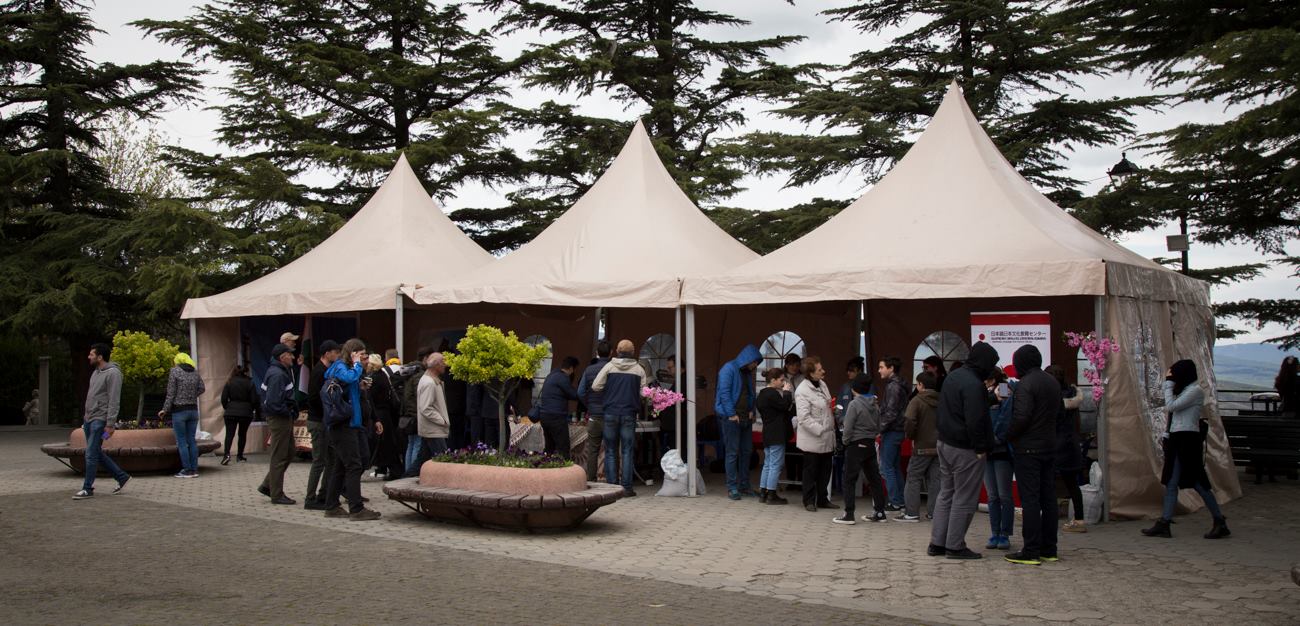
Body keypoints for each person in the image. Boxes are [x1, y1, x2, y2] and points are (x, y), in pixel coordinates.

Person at [1142, 359, 1229, 540]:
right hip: (1177, 438)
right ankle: (1165, 523)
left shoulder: (1195, 391)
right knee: (1171, 481)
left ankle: (1219, 520)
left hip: (1188, 440)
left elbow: (1171, 406)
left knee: (1197, 481)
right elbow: (1173, 415)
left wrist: (1168, 385)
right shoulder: (1184, 391)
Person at [928, 341, 999, 560]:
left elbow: (958, 405)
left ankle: (937, 543)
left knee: (946, 493)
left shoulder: (954, 376)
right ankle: (955, 546)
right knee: (964, 497)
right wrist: (980, 447)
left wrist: (989, 398)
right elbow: (975, 419)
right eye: (991, 364)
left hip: (944, 443)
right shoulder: (974, 384)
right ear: (984, 363)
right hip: (965, 448)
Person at [1004, 345, 1063, 566]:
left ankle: (1030, 550)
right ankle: (1049, 548)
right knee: (1048, 498)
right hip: (1049, 446)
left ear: (1020, 363)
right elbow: (1060, 414)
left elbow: (1021, 417)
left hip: (1028, 449)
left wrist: (1009, 436)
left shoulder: (1025, 384)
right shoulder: (1052, 382)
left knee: (1030, 500)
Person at [322, 339, 381, 521]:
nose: (363, 358)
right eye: (361, 354)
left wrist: (360, 386)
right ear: (352, 353)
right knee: (354, 465)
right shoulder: (340, 366)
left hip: (350, 424)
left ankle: (331, 506)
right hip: (343, 424)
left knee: (341, 466)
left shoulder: (348, 368)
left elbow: (348, 385)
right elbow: (348, 378)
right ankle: (356, 509)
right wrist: (356, 365)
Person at [592, 339, 650, 496]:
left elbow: (595, 386)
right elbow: (644, 393)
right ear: (633, 352)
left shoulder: (609, 367)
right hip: (629, 413)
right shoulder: (639, 370)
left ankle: (612, 488)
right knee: (627, 451)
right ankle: (627, 488)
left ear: (617, 351)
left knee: (611, 450)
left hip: (610, 412)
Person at [73, 343, 131, 500]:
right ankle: (122, 477)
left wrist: (110, 424)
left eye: (91, 354)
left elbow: (114, 400)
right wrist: (86, 418)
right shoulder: (96, 372)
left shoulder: (113, 374)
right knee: (95, 452)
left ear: (100, 357)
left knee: (91, 453)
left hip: (100, 420)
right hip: (89, 420)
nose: (89, 357)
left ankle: (87, 488)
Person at [835, 372, 888, 525]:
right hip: (870, 444)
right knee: (874, 478)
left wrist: (845, 441)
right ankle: (880, 512)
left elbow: (848, 426)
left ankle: (849, 514)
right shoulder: (875, 404)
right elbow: (878, 426)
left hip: (855, 444)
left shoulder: (854, 404)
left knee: (849, 479)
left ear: (854, 388)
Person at [714, 344, 763, 500]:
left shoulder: (747, 372)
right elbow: (724, 394)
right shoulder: (728, 369)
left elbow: (750, 393)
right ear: (747, 359)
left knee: (746, 452)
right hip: (732, 418)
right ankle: (732, 487)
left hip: (745, 418)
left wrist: (751, 410)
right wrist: (731, 414)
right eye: (754, 362)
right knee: (732, 453)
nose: (755, 365)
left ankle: (744, 486)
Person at [1046, 365, 1087, 533]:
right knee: (1072, 484)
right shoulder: (1073, 394)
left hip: (1055, 444)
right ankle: (1079, 520)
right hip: (1071, 444)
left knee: (1048, 483)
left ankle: (1048, 517)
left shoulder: (1051, 398)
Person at [258, 343, 298, 504]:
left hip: (281, 417)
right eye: (290, 354)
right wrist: (288, 412)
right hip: (279, 419)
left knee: (289, 452)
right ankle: (276, 494)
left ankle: (268, 485)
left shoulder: (279, 371)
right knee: (279, 456)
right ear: (282, 357)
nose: (293, 357)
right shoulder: (277, 375)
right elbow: (273, 402)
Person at [899, 370, 941, 522]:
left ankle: (911, 513)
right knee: (936, 480)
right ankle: (934, 513)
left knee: (913, 478)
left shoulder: (916, 400)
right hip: (939, 446)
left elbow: (910, 420)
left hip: (921, 446)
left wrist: (910, 436)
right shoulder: (942, 400)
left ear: (921, 385)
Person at [303, 339, 341, 510]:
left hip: (325, 421)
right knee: (319, 460)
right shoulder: (319, 372)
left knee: (332, 459)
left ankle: (324, 494)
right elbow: (313, 398)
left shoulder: (326, 370)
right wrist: (329, 409)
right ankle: (310, 498)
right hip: (318, 421)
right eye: (335, 352)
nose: (337, 355)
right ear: (327, 354)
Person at [796, 356, 836, 512]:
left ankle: (823, 499)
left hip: (827, 437)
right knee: (811, 471)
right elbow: (803, 418)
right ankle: (809, 501)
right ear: (811, 373)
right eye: (820, 370)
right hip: (813, 438)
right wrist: (820, 429)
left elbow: (825, 405)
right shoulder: (802, 391)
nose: (823, 371)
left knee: (825, 470)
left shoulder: (822, 384)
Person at [159, 352, 206, 478]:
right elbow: (202, 388)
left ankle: (187, 470)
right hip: (193, 411)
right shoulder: (195, 373)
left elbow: (171, 393)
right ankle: (195, 469)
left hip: (179, 411)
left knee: (181, 441)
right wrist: (192, 395)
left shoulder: (175, 371)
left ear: (177, 361)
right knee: (192, 440)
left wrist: (165, 409)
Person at [984, 368, 1015, 551]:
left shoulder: (1003, 389)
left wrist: (996, 437)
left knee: (1004, 495)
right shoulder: (983, 391)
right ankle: (994, 531)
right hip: (987, 450)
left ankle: (1005, 533)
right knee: (992, 496)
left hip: (1001, 449)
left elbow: (1006, 416)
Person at [407, 352, 451, 474]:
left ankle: (405, 479)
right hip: (434, 430)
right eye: (442, 362)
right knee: (443, 460)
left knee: (421, 460)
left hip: (431, 429)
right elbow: (425, 408)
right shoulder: (429, 383)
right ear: (436, 365)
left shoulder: (430, 380)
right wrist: (442, 420)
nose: (445, 364)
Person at [756, 367, 794, 505]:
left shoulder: (761, 394)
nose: (783, 383)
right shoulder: (772, 394)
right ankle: (771, 494)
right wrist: (787, 393)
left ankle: (763, 492)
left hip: (767, 432)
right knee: (775, 465)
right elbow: (784, 406)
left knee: (768, 464)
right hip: (777, 433)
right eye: (781, 380)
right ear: (773, 380)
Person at [877, 356, 909, 511]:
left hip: (892, 430)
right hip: (897, 429)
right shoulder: (899, 384)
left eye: (881, 367)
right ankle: (900, 499)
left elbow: (891, 412)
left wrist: (880, 429)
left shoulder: (893, 387)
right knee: (894, 467)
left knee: (887, 467)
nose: (879, 370)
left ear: (891, 368)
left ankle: (895, 501)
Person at [578, 341, 613, 481]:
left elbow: (580, 392)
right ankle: (611, 480)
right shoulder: (613, 369)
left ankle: (591, 479)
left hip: (593, 415)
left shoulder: (588, 370)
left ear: (597, 353)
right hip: (610, 414)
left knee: (592, 450)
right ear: (611, 353)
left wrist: (589, 405)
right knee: (611, 449)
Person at [369, 349, 404, 480]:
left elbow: (370, 397)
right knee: (387, 443)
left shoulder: (374, 378)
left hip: (379, 414)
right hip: (385, 413)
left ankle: (393, 470)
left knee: (382, 444)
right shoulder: (382, 375)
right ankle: (393, 469)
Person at [537, 356, 580, 459]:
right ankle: (565, 468)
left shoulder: (551, 375)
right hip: (556, 417)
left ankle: (546, 465)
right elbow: (573, 394)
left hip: (544, 415)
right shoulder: (563, 377)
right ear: (571, 368)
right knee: (563, 448)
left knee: (549, 447)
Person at [219, 364, 259, 465]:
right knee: (242, 434)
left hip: (231, 412)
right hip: (245, 413)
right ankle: (240, 456)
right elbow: (254, 400)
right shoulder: (250, 383)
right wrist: (251, 409)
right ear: (245, 372)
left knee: (229, 434)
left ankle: (226, 455)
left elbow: (224, 398)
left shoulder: (229, 382)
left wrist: (228, 407)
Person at [468, 380, 514, 448]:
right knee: (502, 442)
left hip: (487, 411)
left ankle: (492, 452)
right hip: (499, 412)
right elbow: (511, 393)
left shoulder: (484, 377)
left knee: (490, 442)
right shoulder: (505, 378)